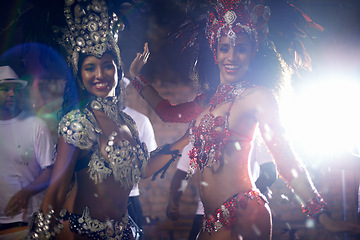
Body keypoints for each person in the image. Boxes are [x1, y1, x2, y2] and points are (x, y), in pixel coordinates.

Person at [129, 0, 360, 239]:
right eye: (224, 47)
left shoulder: (258, 97)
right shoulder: (207, 103)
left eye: (241, 48)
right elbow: (168, 113)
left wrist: (321, 215)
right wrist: (135, 76)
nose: (232, 56)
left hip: (243, 213)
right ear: (215, 51)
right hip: (210, 220)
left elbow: (286, 158)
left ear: (253, 52)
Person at [27, 1, 188, 239]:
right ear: (79, 76)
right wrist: (39, 233)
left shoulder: (128, 122)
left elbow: (142, 170)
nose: (100, 75)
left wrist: (185, 140)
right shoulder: (78, 122)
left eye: (107, 66)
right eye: (90, 68)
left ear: (118, 70)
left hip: (126, 232)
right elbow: (58, 191)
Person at [166, 139, 276, 240]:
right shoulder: (201, 130)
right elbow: (270, 173)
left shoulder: (202, 127)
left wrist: (173, 203)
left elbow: (182, 174)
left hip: (238, 214)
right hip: (224, 213)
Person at [0, 65, 54, 231]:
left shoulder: (36, 126)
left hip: (26, 219)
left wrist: (25, 193)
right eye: (5, 89)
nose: (11, 94)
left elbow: (50, 170)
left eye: (15, 89)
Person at [122, 77, 158, 238]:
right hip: (93, 202)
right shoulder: (90, 119)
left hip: (129, 198)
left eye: (118, 88)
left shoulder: (140, 121)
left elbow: (151, 162)